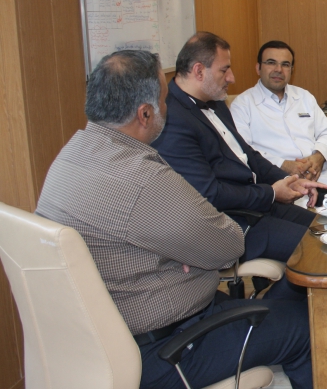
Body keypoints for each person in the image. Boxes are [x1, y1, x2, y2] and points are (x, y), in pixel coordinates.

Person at [35, 50, 312, 389]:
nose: (168, 108)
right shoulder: (141, 177)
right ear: (145, 113)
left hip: (96, 344)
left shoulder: (70, 155)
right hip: (167, 349)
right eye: (164, 100)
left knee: (271, 310)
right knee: (306, 325)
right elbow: (227, 246)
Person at [152, 32, 326, 263]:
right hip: (229, 224)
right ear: (199, 71)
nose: (232, 77)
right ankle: (281, 289)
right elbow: (209, 194)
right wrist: (272, 193)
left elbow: (248, 154)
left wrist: (290, 180)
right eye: (224, 70)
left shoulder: (216, 102)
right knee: (316, 249)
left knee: (326, 230)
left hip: (256, 204)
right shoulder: (172, 118)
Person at [231, 40, 327, 186]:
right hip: (278, 182)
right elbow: (243, 151)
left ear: (291, 70)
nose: (278, 69)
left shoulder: (304, 97)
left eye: (285, 64)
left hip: (319, 175)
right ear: (258, 68)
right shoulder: (242, 105)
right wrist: (283, 164)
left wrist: (319, 157)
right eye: (271, 63)